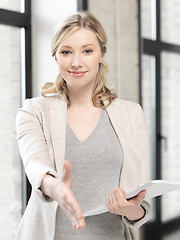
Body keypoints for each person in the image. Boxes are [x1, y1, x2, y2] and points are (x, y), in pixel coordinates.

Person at [15, 11, 151, 240]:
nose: (76, 62)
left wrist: (129, 208)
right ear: (55, 56)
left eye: (87, 51)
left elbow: (140, 207)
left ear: (102, 54)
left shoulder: (131, 114)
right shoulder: (33, 111)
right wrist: (57, 188)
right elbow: (35, 165)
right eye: (66, 52)